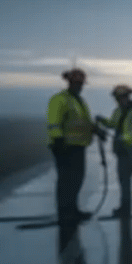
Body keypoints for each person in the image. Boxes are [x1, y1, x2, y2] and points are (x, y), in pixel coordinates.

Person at [47, 68, 104, 224]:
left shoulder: (79, 101)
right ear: (70, 83)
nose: (79, 86)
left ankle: (73, 210)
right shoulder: (60, 99)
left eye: (81, 84)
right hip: (65, 147)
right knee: (66, 181)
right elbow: (54, 122)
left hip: (78, 147)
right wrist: (58, 140)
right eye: (77, 83)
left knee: (76, 180)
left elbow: (84, 122)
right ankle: (64, 213)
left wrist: (96, 130)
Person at [96, 84, 132, 218]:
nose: (120, 100)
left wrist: (122, 138)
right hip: (123, 152)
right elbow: (113, 124)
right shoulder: (118, 111)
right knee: (124, 181)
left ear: (128, 97)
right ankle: (125, 208)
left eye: (122, 97)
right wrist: (102, 121)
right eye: (118, 98)